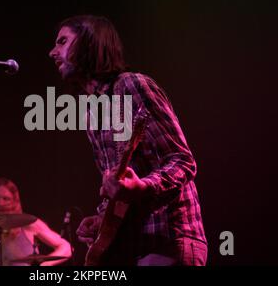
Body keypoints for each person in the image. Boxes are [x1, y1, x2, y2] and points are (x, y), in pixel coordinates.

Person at [48, 15, 207, 265]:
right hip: (131, 246)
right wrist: (103, 220)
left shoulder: (131, 86)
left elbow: (183, 161)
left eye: (63, 41)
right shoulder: (91, 113)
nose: (52, 52)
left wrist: (143, 187)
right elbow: (120, 184)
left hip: (166, 239)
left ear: (90, 42)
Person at [0, 178, 71, 266]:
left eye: (5, 198)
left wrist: (45, 265)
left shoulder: (28, 224)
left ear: (14, 202)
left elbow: (66, 247)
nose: (1, 202)